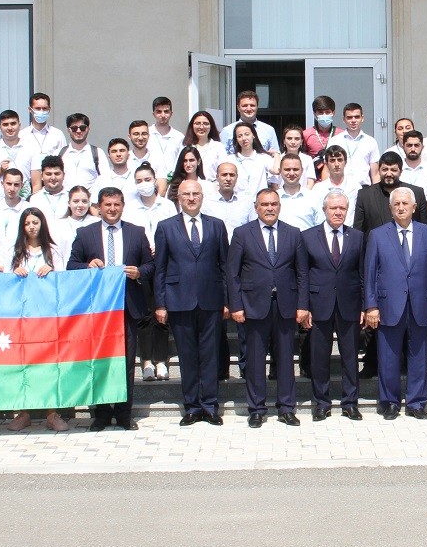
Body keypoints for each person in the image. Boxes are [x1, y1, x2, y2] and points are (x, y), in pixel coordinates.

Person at [66, 187, 154, 431]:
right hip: (98, 311)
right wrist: (87, 266)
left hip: (127, 307)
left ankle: (125, 414)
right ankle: (101, 414)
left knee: (126, 363)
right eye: (107, 205)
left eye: (116, 204)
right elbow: (71, 265)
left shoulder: (136, 233)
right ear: (99, 206)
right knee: (99, 362)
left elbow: (150, 265)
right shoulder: (85, 234)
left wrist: (139, 273)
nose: (112, 209)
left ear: (123, 205)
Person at [153, 179, 230, 427]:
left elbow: (224, 266)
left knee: (210, 356)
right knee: (187, 356)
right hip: (179, 301)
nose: (191, 198)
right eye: (186, 194)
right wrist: (160, 303)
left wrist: (228, 300)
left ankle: (210, 406)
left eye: (196, 193)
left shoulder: (217, 226)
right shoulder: (165, 227)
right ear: (178, 197)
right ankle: (192, 407)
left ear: (202, 196)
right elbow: (161, 269)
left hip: (211, 300)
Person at [363, 188, 427, 420]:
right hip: (388, 305)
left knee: (419, 356)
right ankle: (389, 402)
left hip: (420, 304)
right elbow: (369, 273)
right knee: (388, 357)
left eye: (405, 203)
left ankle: (417, 402)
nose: (400, 207)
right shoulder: (378, 235)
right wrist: (371, 306)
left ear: (414, 206)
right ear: (390, 208)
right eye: (396, 204)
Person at [226, 190, 302, 428]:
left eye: (274, 204)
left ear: (280, 206)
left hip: (286, 307)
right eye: (264, 204)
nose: (270, 208)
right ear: (256, 207)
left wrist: (303, 306)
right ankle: (257, 408)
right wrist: (236, 305)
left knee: (286, 360)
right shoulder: (241, 234)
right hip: (253, 307)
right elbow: (232, 273)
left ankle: (286, 408)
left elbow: (302, 274)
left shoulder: (293, 233)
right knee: (255, 360)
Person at [0, 207, 70, 433]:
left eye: (36, 222)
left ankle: (52, 412)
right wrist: (14, 272)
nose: (32, 226)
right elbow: (2, 283)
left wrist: (52, 270)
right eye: (28, 222)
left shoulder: (53, 251)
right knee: (21, 365)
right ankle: (23, 412)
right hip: (20, 318)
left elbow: (66, 280)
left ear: (42, 224)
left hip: (47, 316)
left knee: (49, 365)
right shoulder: (15, 251)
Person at [296, 190, 365, 421]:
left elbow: (363, 273)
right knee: (319, 357)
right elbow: (303, 275)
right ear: (324, 210)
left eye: (342, 208)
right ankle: (322, 403)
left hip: (350, 305)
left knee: (350, 357)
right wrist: (303, 306)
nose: (338, 212)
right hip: (318, 306)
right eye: (333, 208)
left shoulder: (357, 237)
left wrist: (366, 306)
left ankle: (350, 403)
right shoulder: (307, 237)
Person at [123, 164, 177, 382]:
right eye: (139, 180)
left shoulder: (168, 206)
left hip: (164, 264)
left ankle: (161, 360)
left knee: (161, 314)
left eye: (147, 179)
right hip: (141, 266)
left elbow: (174, 230)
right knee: (144, 316)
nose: (143, 184)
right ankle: (146, 361)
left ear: (156, 180)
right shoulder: (130, 208)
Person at [353, 152, 427, 234]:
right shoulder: (365, 195)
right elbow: (358, 232)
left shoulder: (416, 193)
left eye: (393, 170)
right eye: (385, 169)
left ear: (401, 172)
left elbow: (426, 229)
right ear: (379, 170)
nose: (389, 174)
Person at [0, 109, 37, 196]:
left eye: (13, 124)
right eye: (5, 124)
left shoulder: (31, 148)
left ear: (19, 125)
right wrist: (0, 170)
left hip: (24, 203)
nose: (9, 128)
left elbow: (36, 183)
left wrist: (33, 204)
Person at [0, 168, 30, 261]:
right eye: (9, 184)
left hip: (23, 264)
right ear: (2, 184)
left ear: (22, 186)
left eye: (16, 185)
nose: (12, 188)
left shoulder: (29, 209)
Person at [307, 145, 363, 227]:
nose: (336, 164)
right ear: (326, 163)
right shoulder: (318, 189)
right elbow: (316, 215)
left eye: (340, 160)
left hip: (349, 232)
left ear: (345, 162)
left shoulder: (355, 187)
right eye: (332, 160)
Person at [328, 102, 382, 183]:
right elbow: (327, 169)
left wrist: (376, 193)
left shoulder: (371, 141)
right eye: (349, 117)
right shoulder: (335, 140)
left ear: (362, 118)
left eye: (357, 117)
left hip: (363, 189)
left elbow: (375, 174)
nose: (353, 120)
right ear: (344, 119)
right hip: (340, 188)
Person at [52, 185, 95, 272]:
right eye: (76, 201)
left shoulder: (96, 222)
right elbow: (56, 253)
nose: (80, 205)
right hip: (66, 272)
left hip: (91, 272)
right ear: (69, 203)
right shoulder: (58, 225)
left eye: (84, 201)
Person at [271, 153, 320, 230]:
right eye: (287, 169)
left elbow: (320, 227)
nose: (291, 173)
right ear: (280, 171)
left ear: (302, 171)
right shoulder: (273, 198)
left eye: (295, 169)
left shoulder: (313, 197)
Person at [221, 90, 277, 155]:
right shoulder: (227, 131)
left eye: (252, 105)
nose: (249, 109)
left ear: (257, 107)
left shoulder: (269, 130)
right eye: (245, 105)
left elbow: (276, 155)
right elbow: (221, 157)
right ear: (238, 108)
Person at [202, 161, 253, 233]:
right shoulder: (206, 203)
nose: (228, 179)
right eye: (224, 175)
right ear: (217, 177)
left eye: (232, 175)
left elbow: (253, 228)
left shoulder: (246, 202)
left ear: (237, 177)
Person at [228, 121, 276, 197]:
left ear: (253, 135)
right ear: (236, 139)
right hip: (238, 203)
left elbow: (276, 171)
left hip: (259, 204)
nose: (244, 138)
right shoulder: (230, 160)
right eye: (239, 136)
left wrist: (277, 154)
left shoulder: (263, 157)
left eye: (247, 134)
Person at [397, 130, 427, 210]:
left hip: (425, 215)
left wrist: (424, 216)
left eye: (416, 145)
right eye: (409, 145)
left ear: (422, 147)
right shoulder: (397, 169)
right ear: (403, 147)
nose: (413, 149)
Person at [60, 112, 103, 190]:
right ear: (68, 130)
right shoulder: (59, 153)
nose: (78, 131)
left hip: (91, 200)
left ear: (88, 129)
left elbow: (105, 179)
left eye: (82, 128)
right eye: (74, 128)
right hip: (65, 200)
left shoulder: (98, 153)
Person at [20, 91, 67, 161]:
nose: (41, 111)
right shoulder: (22, 135)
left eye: (44, 108)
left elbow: (64, 159)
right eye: (38, 108)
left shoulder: (58, 134)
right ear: (30, 110)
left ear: (49, 109)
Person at [182, 110, 224, 177]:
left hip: (213, 186)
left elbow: (224, 170)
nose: (201, 127)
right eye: (198, 123)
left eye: (205, 123)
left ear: (211, 126)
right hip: (192, 185)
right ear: (192, 125)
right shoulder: (185, 146)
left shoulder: (219, 147)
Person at [149, 96, 186, 172]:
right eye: (159, 112)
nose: (163, 115)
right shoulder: (146, 134)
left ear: (171, 113)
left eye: (166, 111)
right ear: (153, 114)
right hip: (150, 180)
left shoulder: (179, 137)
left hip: (173, 181)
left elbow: (183, 161)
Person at [302, 95, 339, 168]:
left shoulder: (341, 134)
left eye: (327, 112)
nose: (324, 115)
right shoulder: (305, 134)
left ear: (333, 113)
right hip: (313, 177)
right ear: (314, 114)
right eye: (320, 112)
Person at [28, 155, 69, 220]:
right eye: (48, 174)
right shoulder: (34, 199)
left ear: (63, 175)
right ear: (41, 176)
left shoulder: (71, 197)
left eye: (57, 174)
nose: (53, 178)